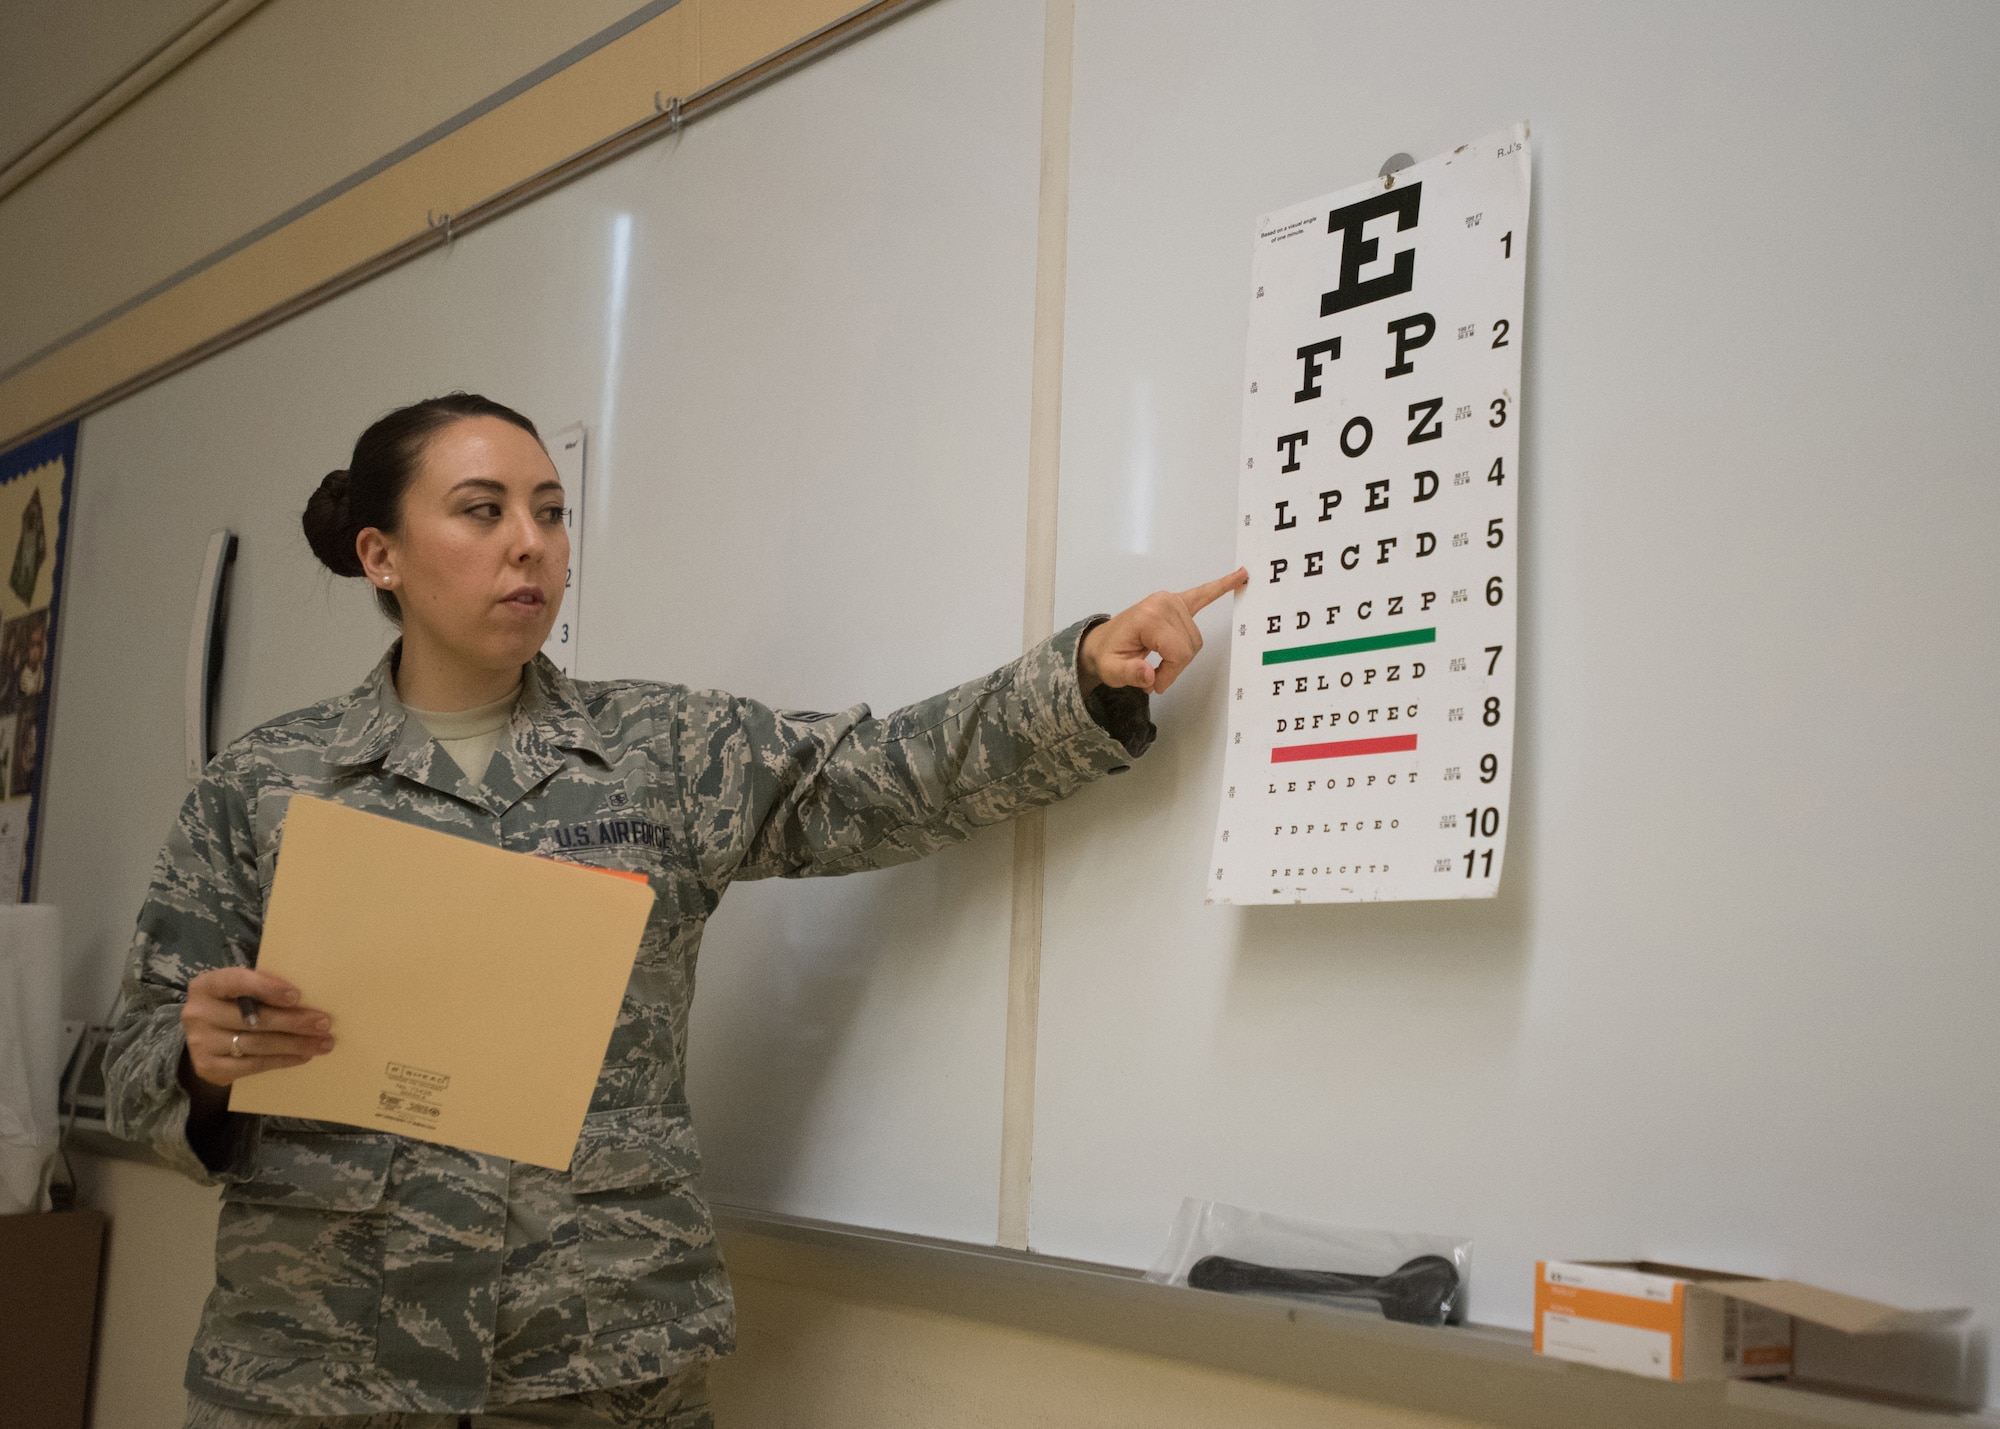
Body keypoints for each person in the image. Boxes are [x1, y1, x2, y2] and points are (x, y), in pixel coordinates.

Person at [104, 393, 1245, 1429]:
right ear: (379, 554)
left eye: (549, 512)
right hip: (319, 1367)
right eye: (480, 510)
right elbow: (140, 1060)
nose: (529, 543)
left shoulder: (664, 750)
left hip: (595, 1366)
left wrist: (1082, 674)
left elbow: (883, 776)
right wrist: (204, 1060)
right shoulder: (265, 786)